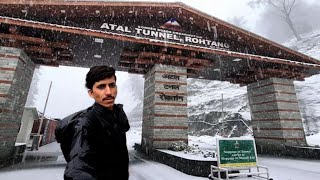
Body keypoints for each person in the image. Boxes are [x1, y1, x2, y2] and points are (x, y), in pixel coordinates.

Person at [63, 66, 130, 180]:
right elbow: (78, 166)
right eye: (101, 86)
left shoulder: (118, 116)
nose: (109, 92)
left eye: (112, 85)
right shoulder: (85, 123)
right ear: (91, 93)